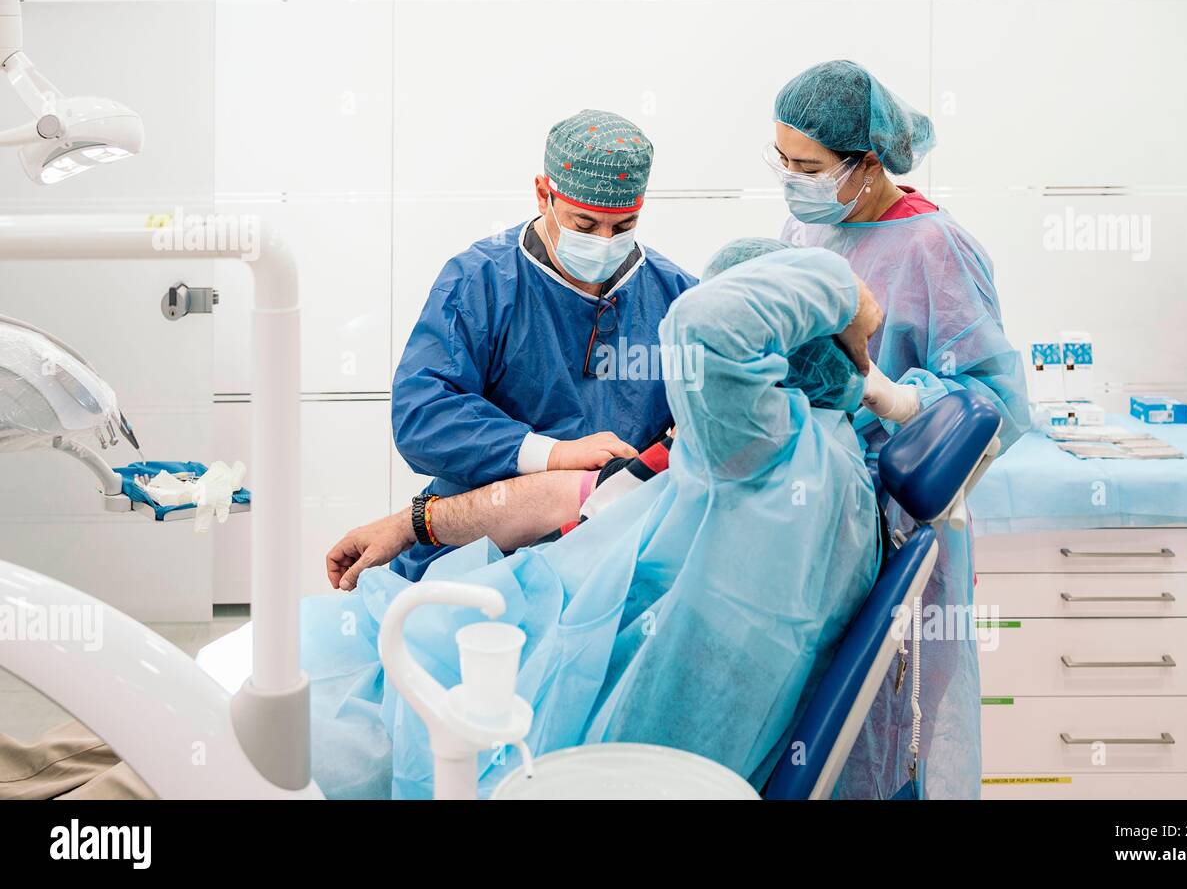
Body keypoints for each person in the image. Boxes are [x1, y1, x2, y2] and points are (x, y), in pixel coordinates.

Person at [300, 238, 900, 798]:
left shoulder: (753, 450)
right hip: (569, 658)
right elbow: (582, 496)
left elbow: (710, 326)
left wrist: (842, 293)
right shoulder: (819, 454)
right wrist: (411, 523)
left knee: (315, 707)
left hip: (561, 715)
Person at [765, 59, 1031, 799]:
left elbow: (999, 405)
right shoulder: (807, 225)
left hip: (906, 535)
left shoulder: (934, 249)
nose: (790, 179)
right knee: (823, 733)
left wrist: (893, 397)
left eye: (808, 166)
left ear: (868, 163)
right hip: (823, 513)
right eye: (781, 159)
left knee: (891, 734)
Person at [389, 109, 696, 581]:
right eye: (585, 224)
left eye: (623, 225)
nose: (605, 241)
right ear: (542, 194)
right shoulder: (482, 283)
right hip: (478, 548)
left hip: (608, 552)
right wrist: (551, 454)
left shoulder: (675, 296)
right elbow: (422, 415)